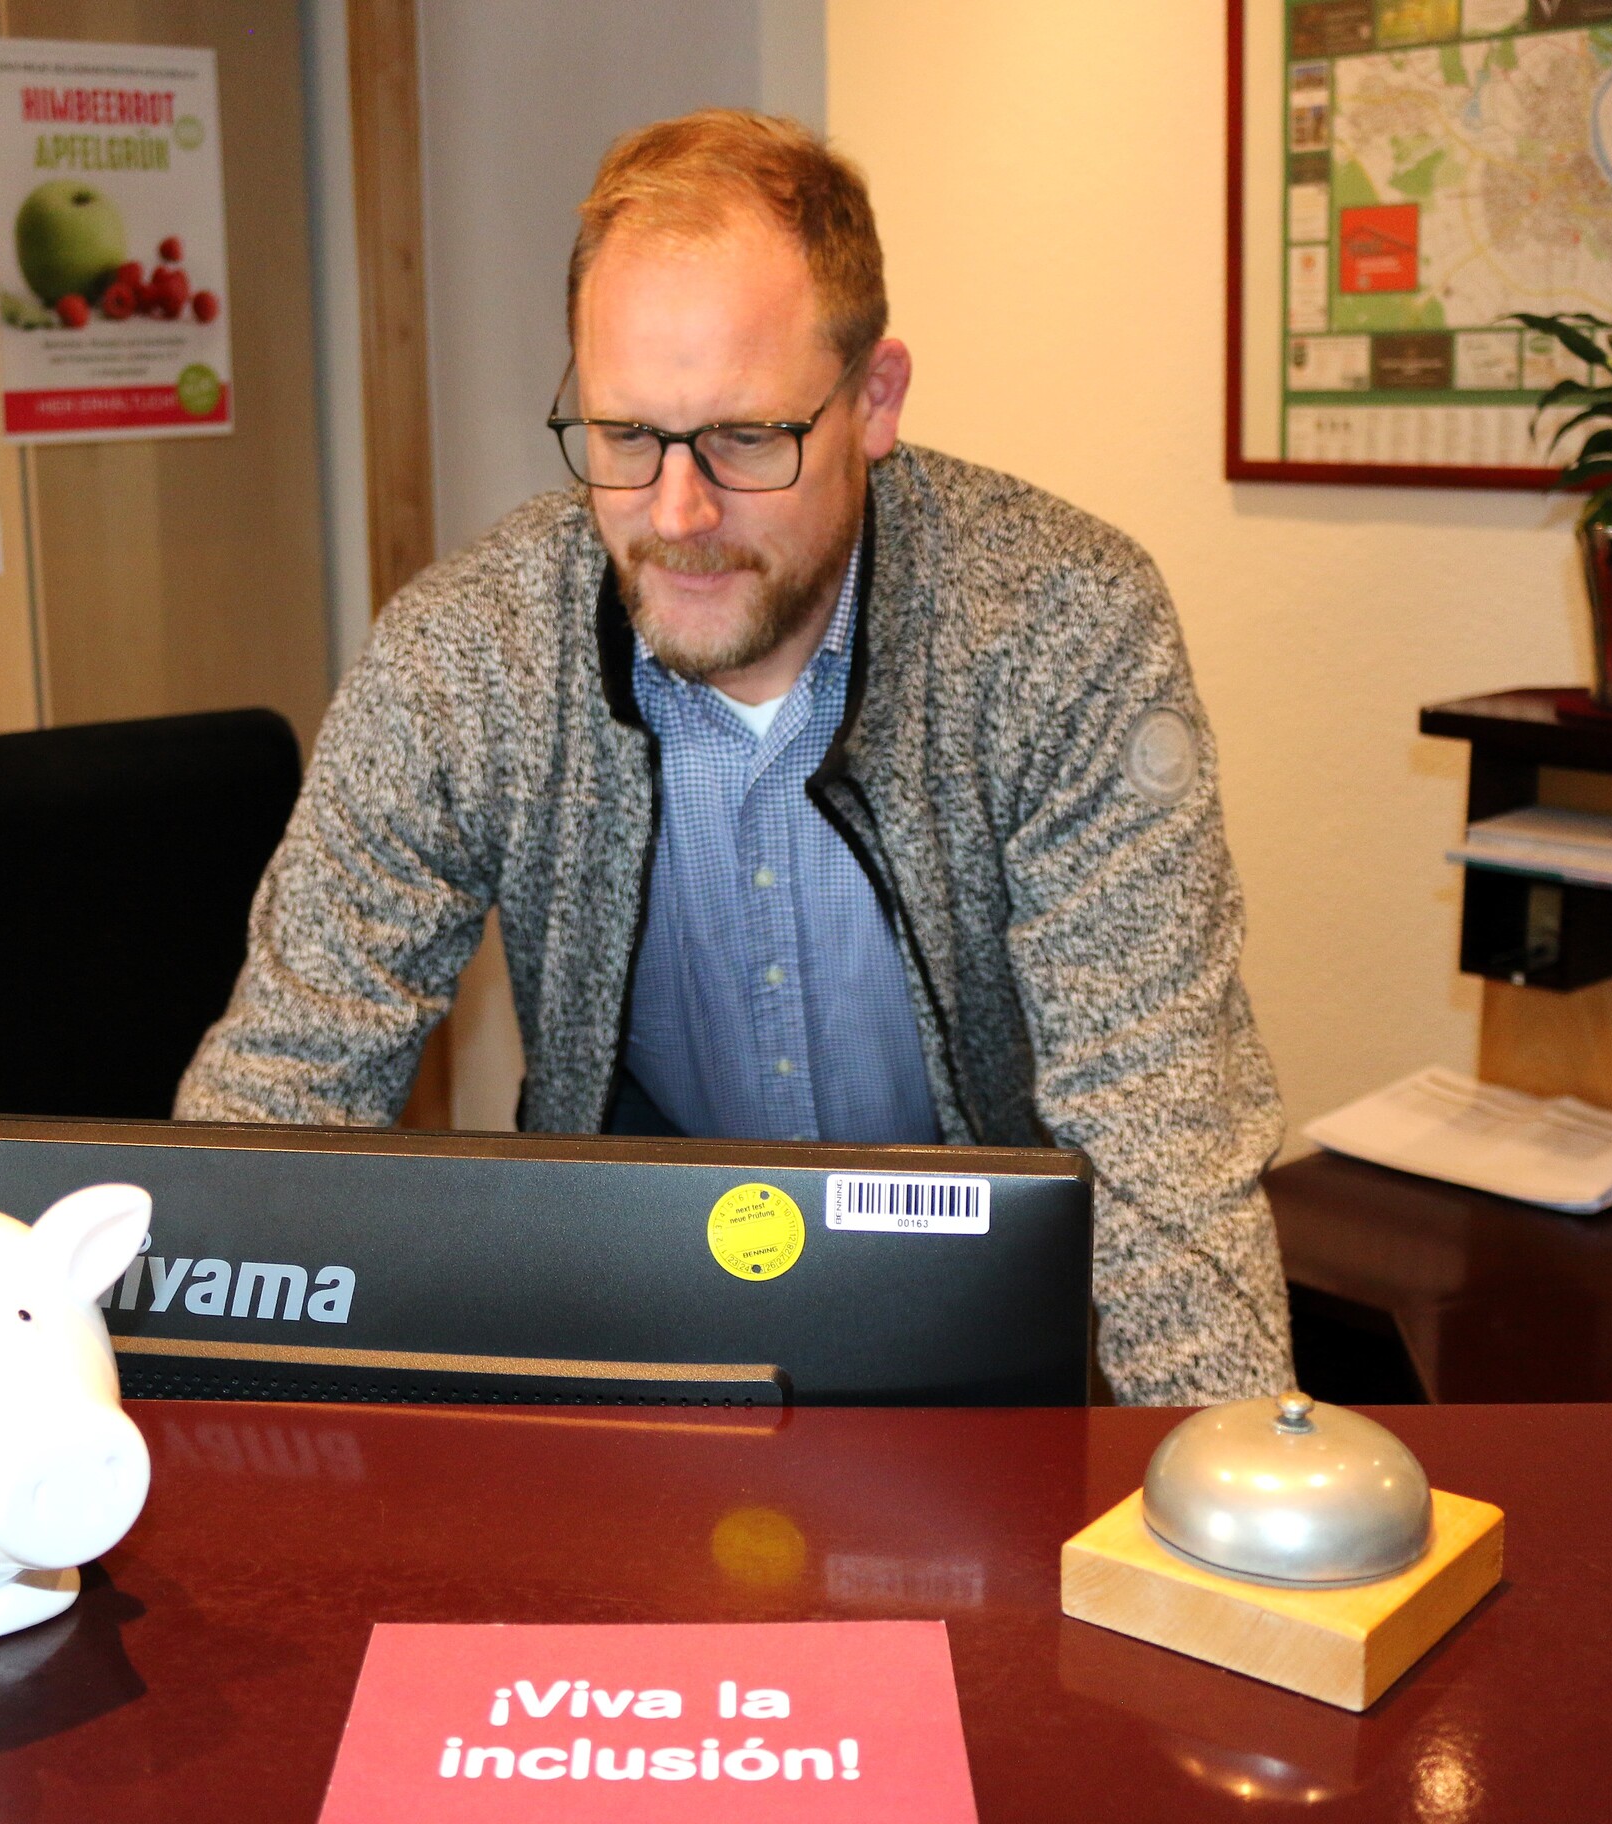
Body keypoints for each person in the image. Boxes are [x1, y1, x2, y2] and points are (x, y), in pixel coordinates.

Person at [175, 110, 1290, 1407]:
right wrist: (171, 1419)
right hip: (628, 1321)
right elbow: (292, 1074)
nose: (678, 513)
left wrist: (1236, 1485)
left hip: (982, 1337)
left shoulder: (1060, 626)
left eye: (747, 438)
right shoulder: (470, 651)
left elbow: (1160, 1130)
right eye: (625, 437)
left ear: (874, 400)